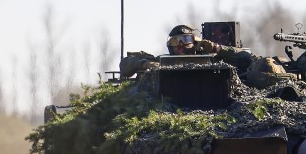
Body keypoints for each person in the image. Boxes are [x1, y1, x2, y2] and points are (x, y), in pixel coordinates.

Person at [119, 25, 289, 87]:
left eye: (186, 39)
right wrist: (144, 64)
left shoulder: (214, 60)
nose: (181, 45)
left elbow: (247, 58)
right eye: (175, 41)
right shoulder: (161, 62)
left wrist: (218, 49)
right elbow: (126, 64)